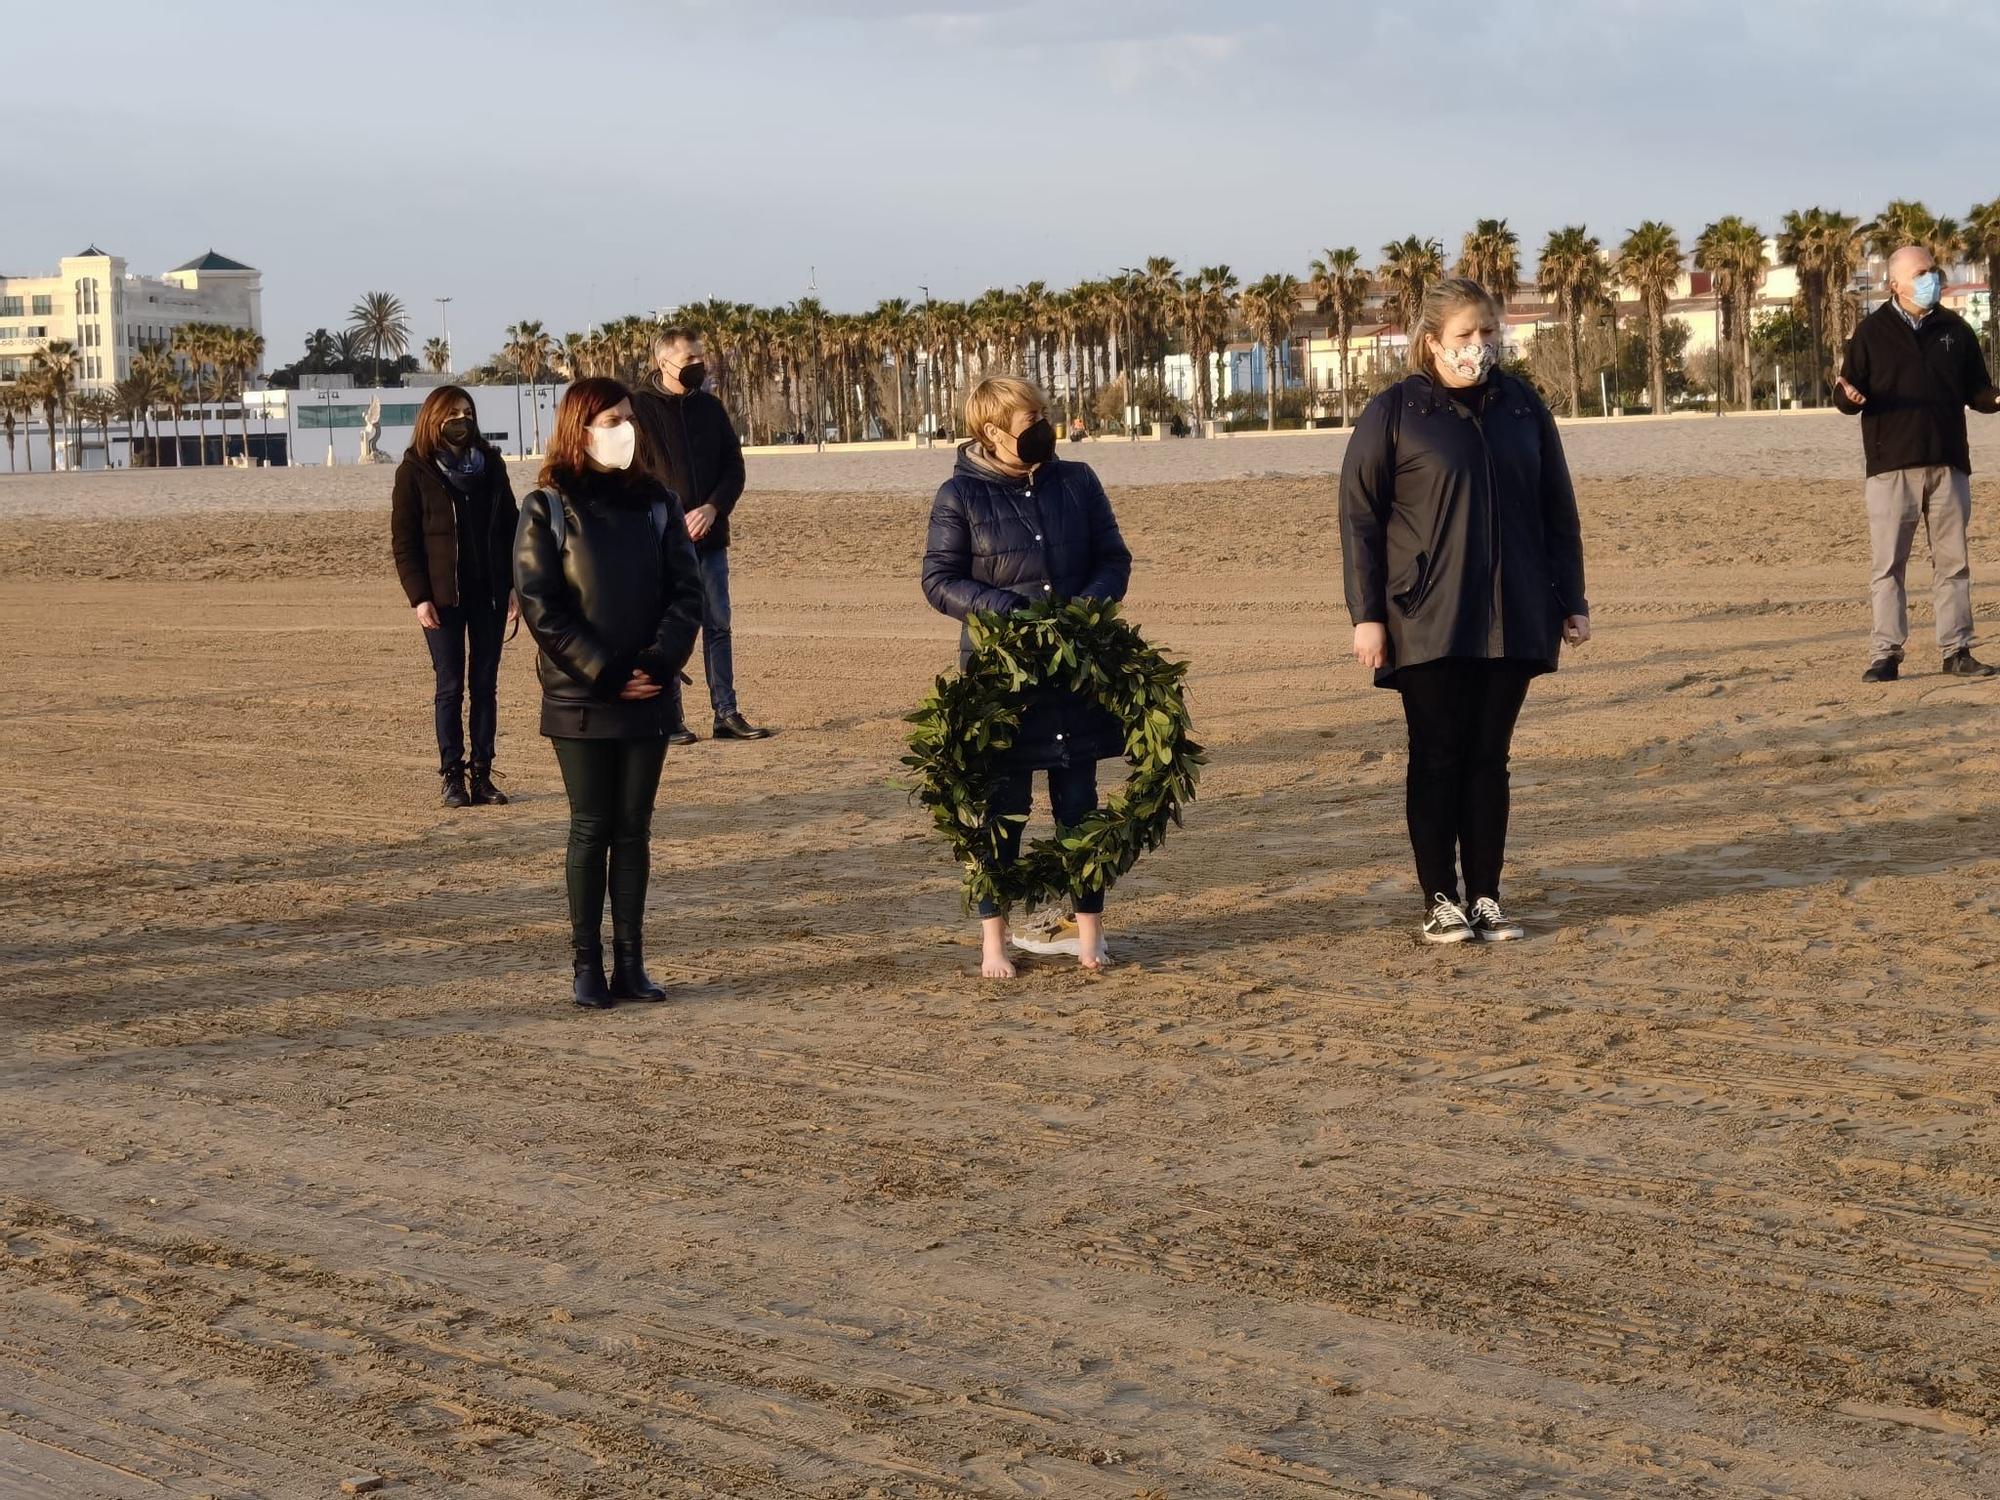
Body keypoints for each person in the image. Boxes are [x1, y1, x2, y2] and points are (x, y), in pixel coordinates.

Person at [1339, 277, 1590, 945]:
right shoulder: (1394, 412)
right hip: (1425, 616)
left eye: (1486, 333)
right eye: (1464, 336)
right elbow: (1360, 519)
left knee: (1489, 759)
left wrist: (1572, 599)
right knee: (1438, 755)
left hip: (1515, 612)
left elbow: (1557, 509)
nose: (1478, 346)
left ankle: (1485, 895)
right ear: (1431, 343)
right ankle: (1439, 896)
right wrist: (1367, 614)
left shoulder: (1522, 407)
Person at [922, 375, 1132, 978]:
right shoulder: (958, 496)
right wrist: (1005, 610)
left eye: (1044, 411)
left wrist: (1087, 607)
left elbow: (1113, 558)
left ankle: (1089, 933)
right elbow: (939, 580)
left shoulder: (1079, 481)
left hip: (1074, 672)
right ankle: (995, 941)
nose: (1044, 424)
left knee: (1079, 805)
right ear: (991, 430)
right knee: (1001, 811)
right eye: (1029, 416)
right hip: (1001, 683)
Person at [514, 378, 706, 1009]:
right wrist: (606, 672)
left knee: (635, 829)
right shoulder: (546, 505)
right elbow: (542, 604)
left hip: (651, 693)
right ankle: (586, 966)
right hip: (582, 698)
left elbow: (687, 591)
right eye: (610, 418)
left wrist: (657, 662)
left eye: (628, 417)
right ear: (580, 427)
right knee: (591, 826)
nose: (624, 428)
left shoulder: (658, 503)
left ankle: (631, 962)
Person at [1833, 244, 2000, 682]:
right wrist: (1846, 398)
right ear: (1896, 284)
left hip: (1947, 462)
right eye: (1923, 272)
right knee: (1889, 565)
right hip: (1891, 466)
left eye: (1935, 271)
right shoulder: (1871, 333)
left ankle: (1957, 650)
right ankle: (1885, 654)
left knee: (1953, 564)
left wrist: (1996, 398)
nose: (1934, 279)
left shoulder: (1955, 329)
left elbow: (1977, 391)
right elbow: (1847, 391)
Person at [630, 328, 770, 744]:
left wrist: (712, 508)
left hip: (710, 541)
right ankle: (668, 718)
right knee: (668, 629)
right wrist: (670, 519)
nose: (698, 366)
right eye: (689, 361)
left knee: (718, 624)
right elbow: (633, 473)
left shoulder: (710, 408)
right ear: (664, 363)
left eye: (699, 359)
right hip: (661, 544)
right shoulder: (639, 410)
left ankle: (725, 712)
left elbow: (734, 467)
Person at [390, 385, 520, 807]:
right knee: (450, 687)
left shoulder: (492, 465)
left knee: (485, 686)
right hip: (442, 598)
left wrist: (516, 585)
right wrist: (419, 597)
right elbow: (405, 541)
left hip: (491, 595)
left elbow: (513, 530)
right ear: (434, 419)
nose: (461, 419)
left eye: (466, 411)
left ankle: (482, 775)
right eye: (452, 413)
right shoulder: (414, 470)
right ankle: (452, 777)